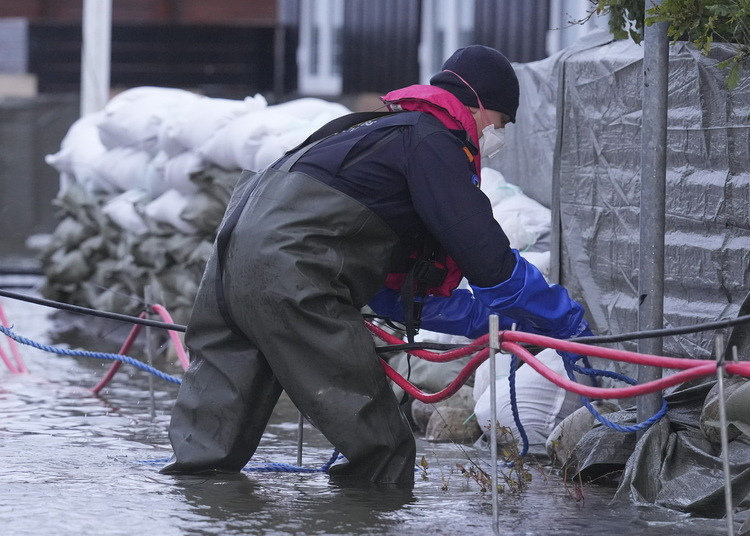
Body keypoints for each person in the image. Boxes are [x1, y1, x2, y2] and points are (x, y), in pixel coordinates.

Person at [163, 45, 589, 484]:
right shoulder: (433, 142)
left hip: (229, 264)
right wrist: (567, 323)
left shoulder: (374, 133)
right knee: (383, 455)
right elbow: (492, 265)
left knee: (206, 452)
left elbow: (394, 293)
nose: (495, 138)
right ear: (481, 107)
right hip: (293, 274)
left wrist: (503, 328)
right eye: (500, 125)